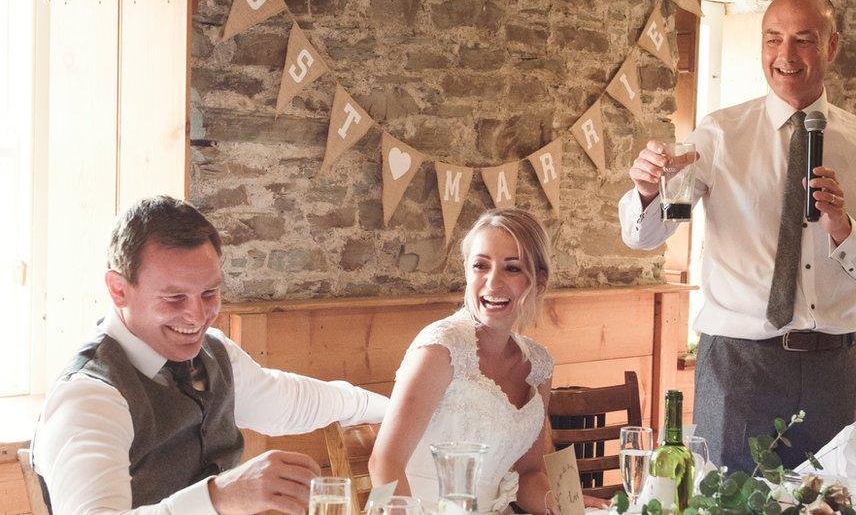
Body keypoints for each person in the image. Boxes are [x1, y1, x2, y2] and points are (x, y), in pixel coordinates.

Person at [618, 0, 856, 471]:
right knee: (730, 502)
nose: (785, 55)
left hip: (834, 366)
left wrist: (843, 228)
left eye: (803, 40)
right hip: (739, 365)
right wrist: (649, 191)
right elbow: (648, 235)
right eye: (773, 39)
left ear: (831, 47)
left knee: (831, 502)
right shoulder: (719, 135)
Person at [32, 195, 389, 515]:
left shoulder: (214, 355)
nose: (198, 315)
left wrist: (393, 410)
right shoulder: (89, 396)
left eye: (209, 293)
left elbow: (291, 402)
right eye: (174, 298)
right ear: (119, 290)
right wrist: (220, 497)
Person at [369, 208, 557, 514]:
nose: (492, 282)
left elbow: (528, 475)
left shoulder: (539, 366)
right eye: (481, 266)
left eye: (512, 268)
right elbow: (383, 463)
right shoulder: (440, 349)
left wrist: (563, 503)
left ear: (538, 280)